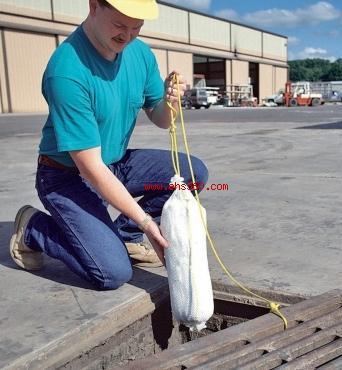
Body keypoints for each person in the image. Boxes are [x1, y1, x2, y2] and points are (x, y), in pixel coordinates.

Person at [9, 0, 208, 290]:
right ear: (93, 6)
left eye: (136, 28)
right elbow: (90, 169)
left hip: (114, 164)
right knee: (111, 273)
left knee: (192, 175)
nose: (127, 36)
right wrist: (147, 223)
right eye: (119, 25)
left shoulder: (138, 53)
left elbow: (161, 119)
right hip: (68, 177)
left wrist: (170, 102)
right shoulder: (67, 70)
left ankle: (124, 236)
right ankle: (34, 229)